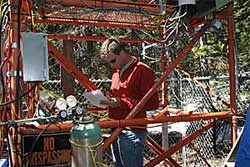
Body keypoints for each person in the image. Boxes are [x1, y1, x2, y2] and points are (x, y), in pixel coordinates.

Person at [99, 36, 159, 167]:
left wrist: (121, 102)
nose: (112, 65)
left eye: (113, 61)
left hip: (132, 130)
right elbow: (119, 96)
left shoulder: (143, 70)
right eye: (109, 63)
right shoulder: (116, 71)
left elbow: (153, 103)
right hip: (115, 128)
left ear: (122, 53)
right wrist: (107, 100)